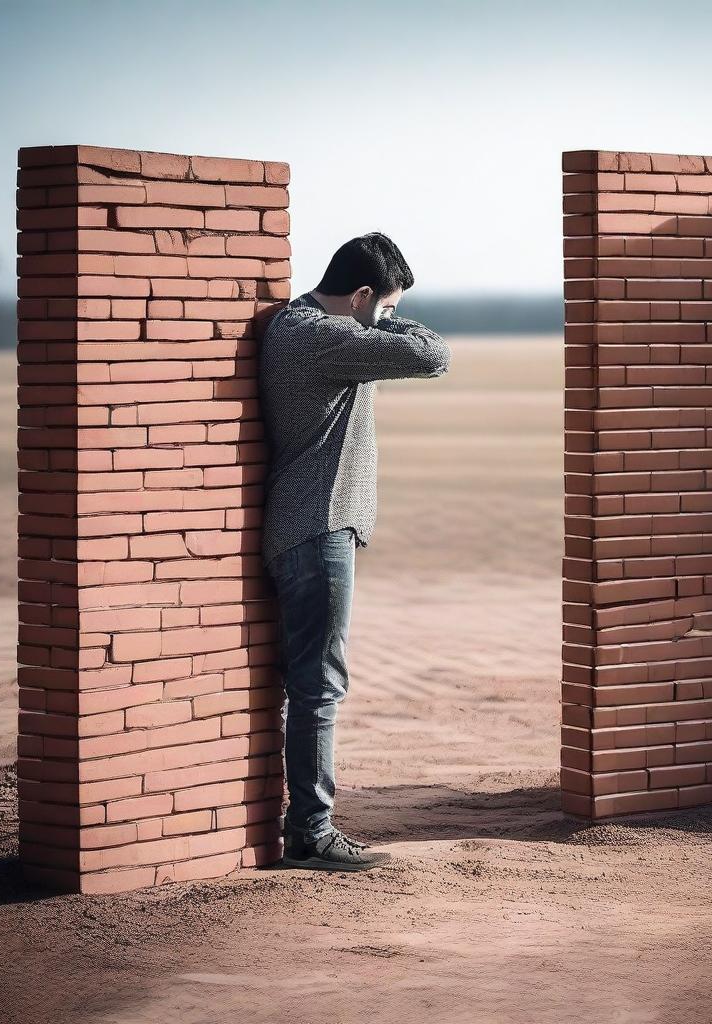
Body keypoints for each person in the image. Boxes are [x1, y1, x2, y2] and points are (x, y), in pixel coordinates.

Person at [257, 232, 451, 871]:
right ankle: (312, 832)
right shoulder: (317, 336)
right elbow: (432, 356)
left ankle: (307, 825)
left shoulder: (308, 329)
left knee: (312, 681)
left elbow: (403, 346)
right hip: (317, 530)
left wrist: (382, 319)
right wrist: (388, 323)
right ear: (362, 295)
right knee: (320, 684)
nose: (391, 321)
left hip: (313, 527)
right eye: (387, 307)